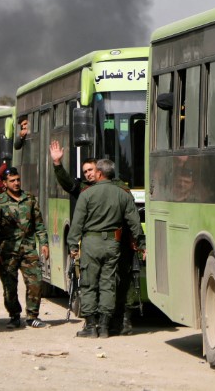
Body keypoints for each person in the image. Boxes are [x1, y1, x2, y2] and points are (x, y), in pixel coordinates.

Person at [50, 140, 142, 335]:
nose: (88, 174)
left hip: (99, 243)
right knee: (109, 284)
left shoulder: (88, 193)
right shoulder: (121, 192)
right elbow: (134, 220)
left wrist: (72, 245)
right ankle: (106, 326)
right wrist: (141, 242)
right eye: (85, 172)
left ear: (99, 172)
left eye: (91, 170)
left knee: (92, 283)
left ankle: (95, 325)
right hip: (114, 243)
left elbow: (77, 222)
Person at [0, 167, 50, 329]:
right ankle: (14, 315)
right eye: (12, 181)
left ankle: (32, 316)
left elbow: (39, 223)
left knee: (35, 282)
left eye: (17, 180)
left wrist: (44, 243)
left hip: (28, 249)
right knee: (9, 287)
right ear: (5, 183)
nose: (16, 183)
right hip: (7, 251)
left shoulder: (29, 199)